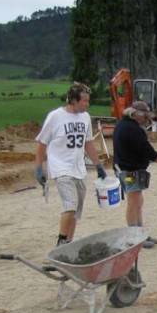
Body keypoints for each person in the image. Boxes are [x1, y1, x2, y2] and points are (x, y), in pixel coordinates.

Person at [34, 82, 106, 246]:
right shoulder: (55, 116)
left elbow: (88, 143)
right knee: (70, 205)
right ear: (73, 100)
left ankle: (69, 244)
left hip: (79, 169)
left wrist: (98, 165)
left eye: (88, 101)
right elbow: (42, 144)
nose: (87, 104)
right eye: (84, 101)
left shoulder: (85, 117)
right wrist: (39, 167)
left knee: (76, 212)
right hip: (61, 168)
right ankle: (61, 242)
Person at [112, 100, 157, 248]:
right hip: (129, 170)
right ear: (136, 114)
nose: (146, 119)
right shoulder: (132, 129)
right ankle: (135, 237)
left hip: (130, 169)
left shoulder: (124, 125)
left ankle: (140, 234)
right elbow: (150, 153)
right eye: (145, 116)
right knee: (134, 202)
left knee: (138, 201)